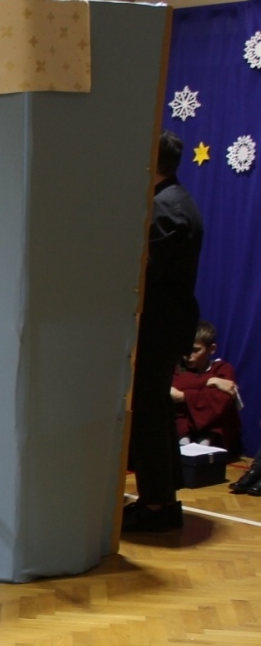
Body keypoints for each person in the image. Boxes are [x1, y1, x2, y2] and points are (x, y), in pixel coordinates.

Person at [124, 131, 203, 532]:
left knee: (147, 411)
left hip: (157, 323)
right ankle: (164, 499)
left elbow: (147, 272)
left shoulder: (164, 206)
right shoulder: (179, 199)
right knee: (157, 409)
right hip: (170, 323)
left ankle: (155, 504)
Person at [172, 321, 241, 456]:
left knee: (215, 413)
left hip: (211, 431)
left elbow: (221, 399)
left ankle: (203, 451)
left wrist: (183, 396)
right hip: (181, 428)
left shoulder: (222, 369)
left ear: (212, 349)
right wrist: (209, 380)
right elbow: (171, 387)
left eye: (195, 350)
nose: (188, 355)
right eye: (185, 349)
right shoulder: (176, 367)